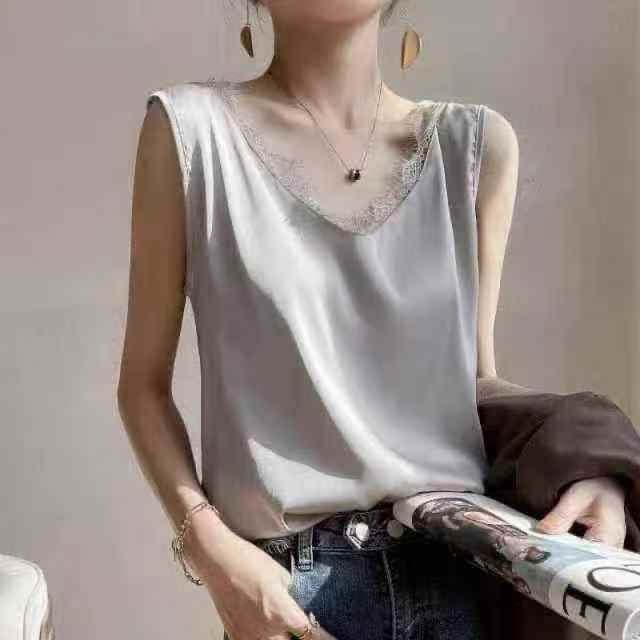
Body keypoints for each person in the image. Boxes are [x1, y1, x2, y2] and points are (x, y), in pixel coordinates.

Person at [117, 1, 627, 639]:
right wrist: (209, 546)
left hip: (455, 572)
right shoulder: (191, 132)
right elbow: (142, 387)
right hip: (295, 590)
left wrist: (591, 466)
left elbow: (473, 381)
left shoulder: (475, 145)